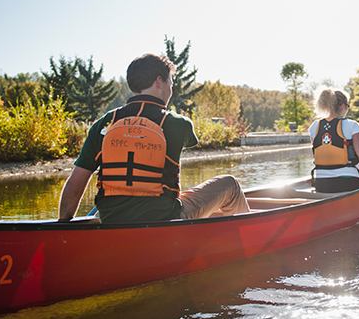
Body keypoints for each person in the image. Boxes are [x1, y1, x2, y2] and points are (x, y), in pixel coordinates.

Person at [58, 53, 249, 223]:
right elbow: (191, 140)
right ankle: (248, 240)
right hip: (164, 219)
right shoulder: (178, 124)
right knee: (230, 184)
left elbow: (75, 184)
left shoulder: (103, 124)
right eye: (170, 83)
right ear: (159, 82)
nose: (171, 90)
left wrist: (63, 226)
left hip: (111, 220)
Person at [308, 88, 359, 193]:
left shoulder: (314, 127)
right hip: (349, 183)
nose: (347, 109)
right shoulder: (352, 125)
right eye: (347, 106)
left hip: (321, 184)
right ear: (342, 105)